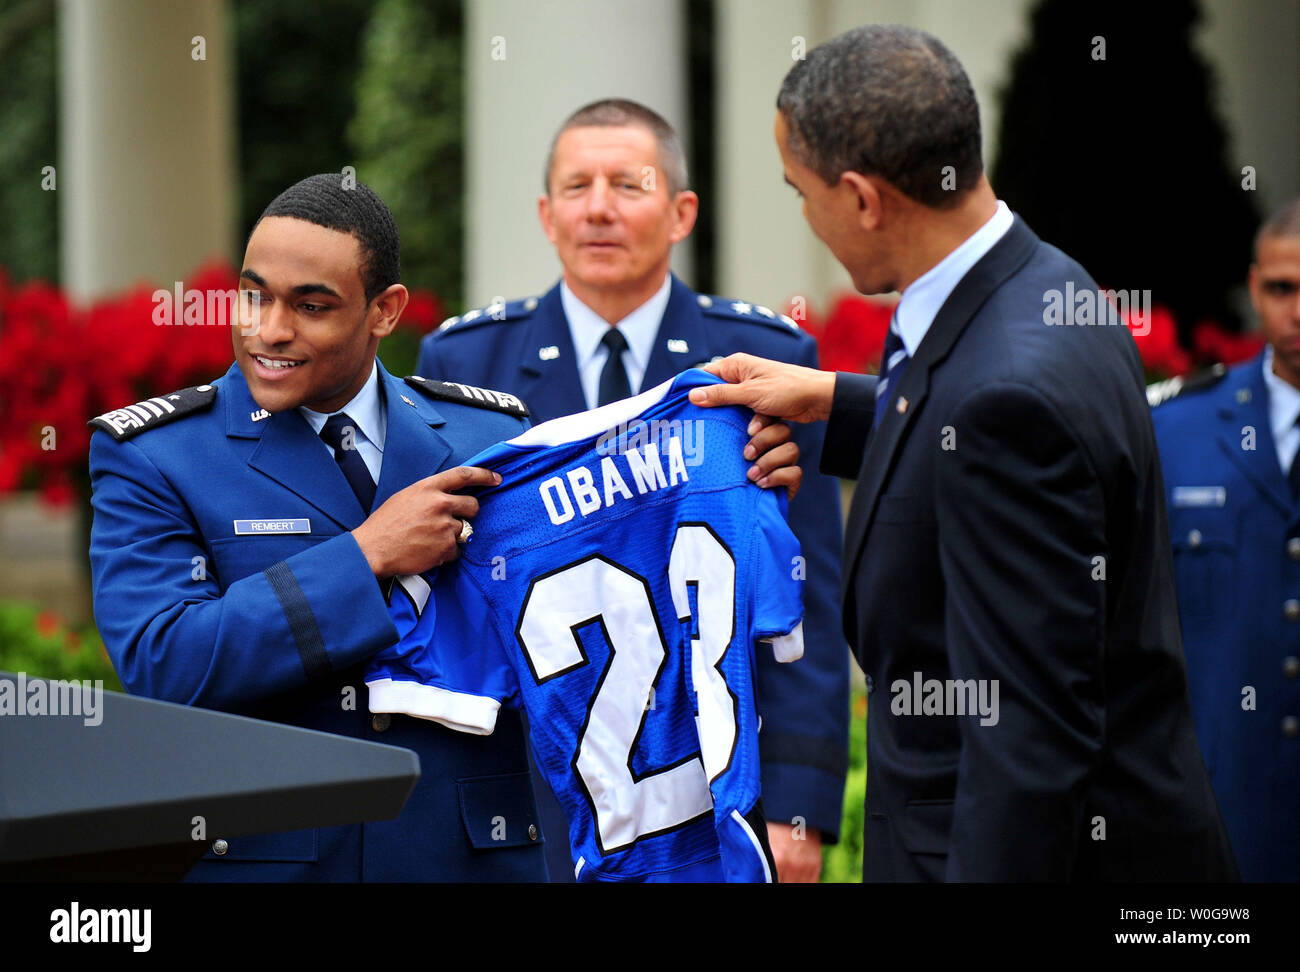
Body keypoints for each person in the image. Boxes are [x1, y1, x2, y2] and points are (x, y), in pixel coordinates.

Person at [88, 173, 799, 882]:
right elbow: (165, 664)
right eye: (253, 295)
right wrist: (364, 556)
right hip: (265, 864)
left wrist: (733, 474)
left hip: (468, 862)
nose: (269, 330)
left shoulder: (491, 433)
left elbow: (621, 564)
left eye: (311, 305)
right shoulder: (155, 453)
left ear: (385, 311)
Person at [688, 24, 1238, 881]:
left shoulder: (1004, 401)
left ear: (865, 199)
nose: (805, 214)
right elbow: (978, 427)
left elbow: (1027, 752)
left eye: (802, 193)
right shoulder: (1048, 284)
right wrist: (832, 402)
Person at [416, 99, 849, 882]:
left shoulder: (764, 362)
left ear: (682, 212)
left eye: (628, 183)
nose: (600, 209)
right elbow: (449, 594)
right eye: (577, 187)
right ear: (547, 216)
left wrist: (798, 804)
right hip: (535, 796)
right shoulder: (465, 362)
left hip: (719, 790)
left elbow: (806, 592)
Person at [1150, 197, 1300, 882]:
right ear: (1253, 288)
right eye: (1282, 289)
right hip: (1221, 817)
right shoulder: (1179, 429)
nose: (1298, 310)